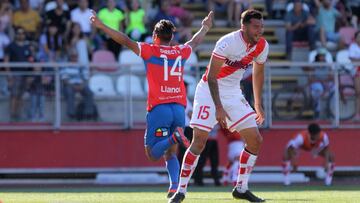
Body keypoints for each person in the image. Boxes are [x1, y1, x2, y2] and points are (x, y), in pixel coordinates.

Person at [90, 9, 213, 198]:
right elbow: (194, 42)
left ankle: (174, 138)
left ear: (155, 36)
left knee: (153, 153)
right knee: (171, 153)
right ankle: (174, 187)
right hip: (179, 109)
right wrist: (205, 27)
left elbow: (124, 40)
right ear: (171, 37)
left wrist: (101, 26)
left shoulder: (150, 50)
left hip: (160, 109)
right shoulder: (179, 51)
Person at [169, 9, 268, 203]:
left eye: (262, 26)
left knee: (255, 140)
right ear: (244, 26)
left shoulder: (262, 46)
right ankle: (180, 191)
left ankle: (241, 188)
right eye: (256, 26)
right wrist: (219, 108)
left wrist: (257, 103)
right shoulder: (227, 42)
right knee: (198, 142)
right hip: (208, 91)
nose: (260, 30)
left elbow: (258, 73)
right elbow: (212, 77)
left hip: (233, 92)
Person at [348, 31, 360, 121]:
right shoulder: (353, 46)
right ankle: (357, 114)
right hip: (357, 71)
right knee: (359, 93)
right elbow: (353, 59)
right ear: (355, 38)